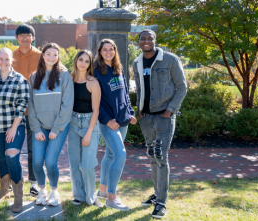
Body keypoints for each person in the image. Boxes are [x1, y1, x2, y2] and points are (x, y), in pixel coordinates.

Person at [133, 29, 187, 219]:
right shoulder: (137, 62)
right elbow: (140, 88)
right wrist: (139, 111)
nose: (146, 41)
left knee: (161, 156)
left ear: (155, 41)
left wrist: (169, 110)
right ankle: (157, 194)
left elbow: (182, 87)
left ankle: (161, 204)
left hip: (164, 117)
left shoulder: (170, 59)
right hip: (146, 118)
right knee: (152, 155)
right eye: (143, 38)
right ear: (138, 41)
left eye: (150, 38)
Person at [28, 43, 74, 207]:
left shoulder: (64, 75)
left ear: (58, 56)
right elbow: (31, 104)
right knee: (37, 162)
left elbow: (67, 105)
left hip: (59, 127)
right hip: (40, 127)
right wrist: (36, 128)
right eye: (48, 54)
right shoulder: (34, 76)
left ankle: (54, 190)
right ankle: (42, 190)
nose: (52, 57)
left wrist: (56, 129)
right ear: (43, 55)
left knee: (50, 163)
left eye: (55, 54)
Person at [94, 39, 137, 211]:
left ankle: (103, 190)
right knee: (120, 154)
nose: (108, 52)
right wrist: (106, 119)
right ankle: (112, 198)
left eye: (111, 49)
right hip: (108, 122)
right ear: (100, 51)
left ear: (115, 51)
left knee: (110, 155)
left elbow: (125, 93)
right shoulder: (96, 71)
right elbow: (95, 101)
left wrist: (130, 113)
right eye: (105, 49)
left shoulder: (119, 69)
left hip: (122, 120)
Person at [0, 48, 30, 213]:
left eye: (7, 59)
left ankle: (18, 197)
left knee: (12, 158)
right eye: (1, 59)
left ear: (12, 60)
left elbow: (22, 107)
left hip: (15, 126)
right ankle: (4, 192)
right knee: (1, 159)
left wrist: (13, 128)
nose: (4, 62)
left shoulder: (20, 80)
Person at [67, 50, 103, 207]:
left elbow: (96, 110)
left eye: (87, 61)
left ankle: (91, 196)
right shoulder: (70, 79)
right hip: (72, 123)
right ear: (75, 61)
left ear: (90, 64)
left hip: (89, 124)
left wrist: (88, 133)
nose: (83, 63)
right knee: (75, 163)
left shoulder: (93, 82)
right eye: (80, 59)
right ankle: (79, 196)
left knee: (87, 165)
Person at [12, 24, 41, 197]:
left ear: (32, 37)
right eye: (21, 35)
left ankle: (34, 183)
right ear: (16, 37)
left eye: (28, 35)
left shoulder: (40, 56)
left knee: (33, 149)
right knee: (11, 148)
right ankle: (9, 182)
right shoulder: (10, 55)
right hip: (13, 111)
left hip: (34, 110)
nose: (24, 38)